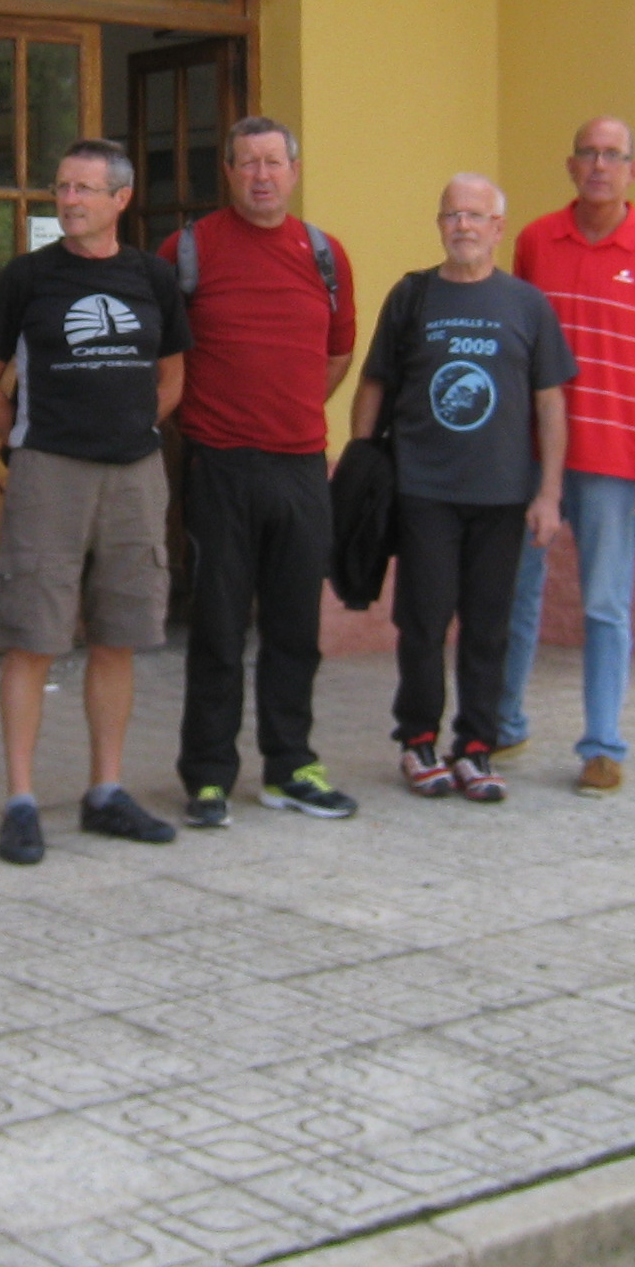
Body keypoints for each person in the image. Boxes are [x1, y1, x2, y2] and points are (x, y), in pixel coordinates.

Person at [0, 138, 191, 864]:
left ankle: (106, 792)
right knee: (32, 638)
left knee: (118, 636)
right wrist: (28, 443)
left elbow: (173, 378)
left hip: (134, 475)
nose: (68, 200)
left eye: (83, 189)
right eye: (61, 187)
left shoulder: (152, 278)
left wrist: (130, 428)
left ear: (120, 199)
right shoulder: (27, 278)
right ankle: (21, 802)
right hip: (49, 476)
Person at [161, 116, 360, 828]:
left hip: (302, 465)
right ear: (228, 172)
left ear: (294, 171)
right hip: (218, 464)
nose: (262, 176)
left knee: (295, 628)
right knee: (217, 627)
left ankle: (291, 766)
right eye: (247, 163)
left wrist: (290, 409)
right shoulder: (188, 250)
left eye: (274, 162)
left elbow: (338, 354)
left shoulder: (325, 254)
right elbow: (161, 354)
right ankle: (209, 775)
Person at [349, 174, 571, 802]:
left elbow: (550, 403)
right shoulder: (413, 296)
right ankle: (418, 741)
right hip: (425, 491)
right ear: (440, 224)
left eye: (476, 216)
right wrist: (362, 468)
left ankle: (476, 747)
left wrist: (549, 494)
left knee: (488, 627)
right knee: (423, 622)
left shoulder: (527, 305)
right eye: (452, 215)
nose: (463, 226)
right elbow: (374, 384)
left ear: (498, 228)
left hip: (502, 496)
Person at [503, 116, 635, 795]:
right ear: (570, 165)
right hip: (533, 457)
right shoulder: (535, 241)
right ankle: (504, 723)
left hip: (617, 463)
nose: (598, 165)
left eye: (612, 155)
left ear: (633, 171)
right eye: (587, 153)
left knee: (605, 607)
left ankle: (603, 746)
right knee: (515, 594)